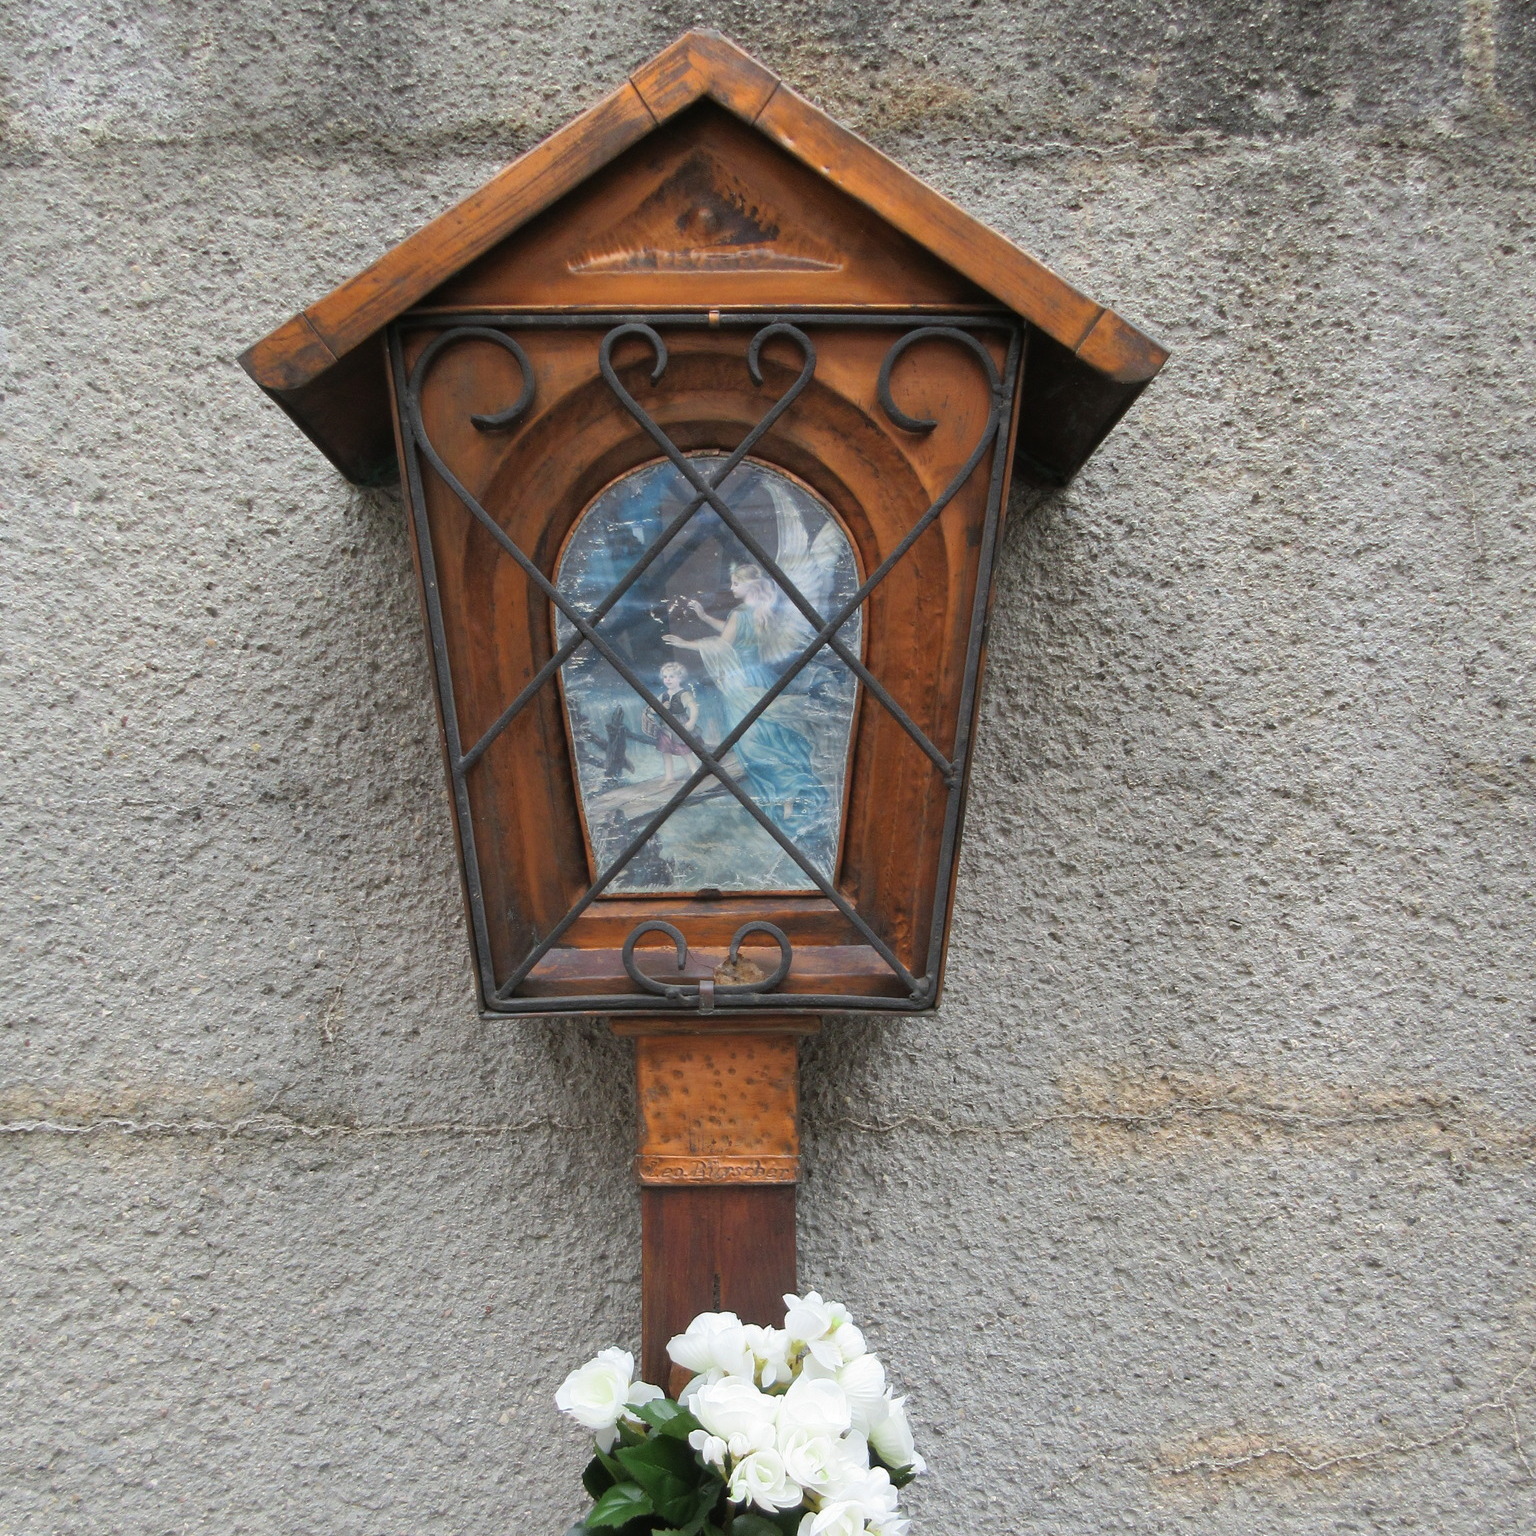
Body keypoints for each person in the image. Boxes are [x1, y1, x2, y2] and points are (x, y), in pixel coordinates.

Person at [662, 563, 830, 847]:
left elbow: (723, 645)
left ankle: (786, 799)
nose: (731, 588)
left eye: (735, 584)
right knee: (775, 736)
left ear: (748, 586)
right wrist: (704, 617)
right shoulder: (762, 612)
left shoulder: (739, 614)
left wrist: (685, 643)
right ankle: (790, 798)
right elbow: (733, 632)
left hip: (740, 684)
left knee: (753, 744)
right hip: (761, 679)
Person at [641, 662, 699, 783]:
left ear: (680, 678)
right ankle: (669, 777)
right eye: (665, 677)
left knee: (684, 750)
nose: (668, 680)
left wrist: (692, 722)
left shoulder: (684, 694)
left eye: (671, 677)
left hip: (680, 725)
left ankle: (695, 771)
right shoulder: (664, 695)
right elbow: (651, 709)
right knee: (665, 751)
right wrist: (661, 707)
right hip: (666, 728)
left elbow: (693, 707)